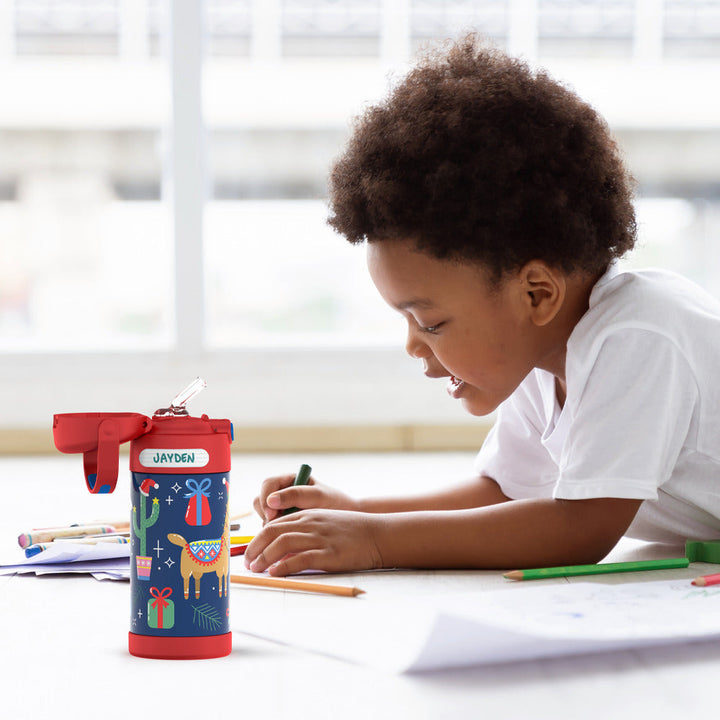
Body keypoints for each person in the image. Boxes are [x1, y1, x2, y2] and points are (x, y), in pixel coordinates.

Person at [245, 34, 720, 577]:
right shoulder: (541, 353)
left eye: (430, 322)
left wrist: (375, 540)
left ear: (535, 293)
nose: (412, 344)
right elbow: (502, 492)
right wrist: (353, 513)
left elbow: (581, 528)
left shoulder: (638, 335)